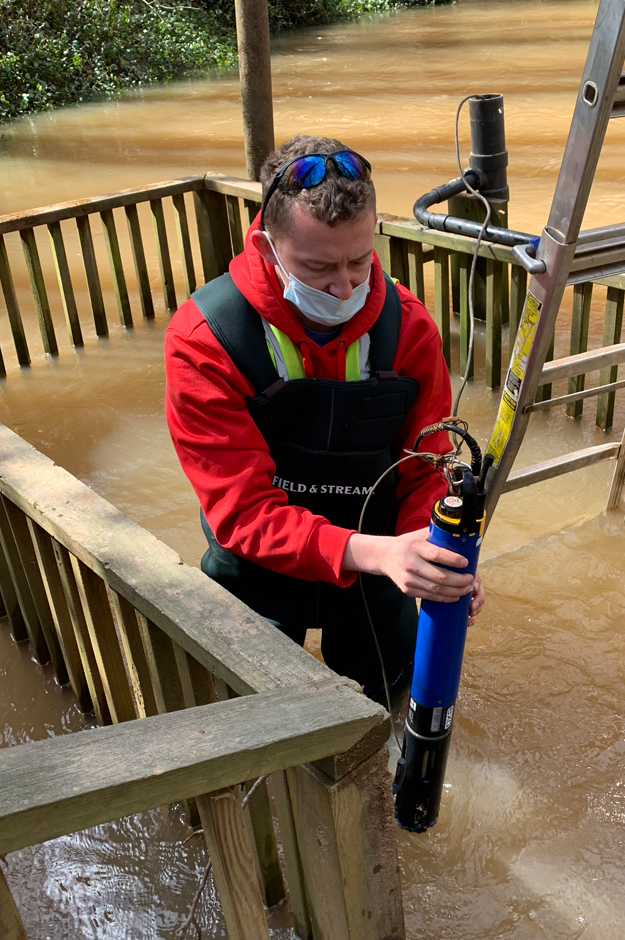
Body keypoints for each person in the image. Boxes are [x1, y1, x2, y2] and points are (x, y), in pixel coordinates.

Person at [165, 134, 485, 701]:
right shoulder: (203, 339)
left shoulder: (408, 325)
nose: (347, 288)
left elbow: (424, 465)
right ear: (266, 247)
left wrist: (427, 554)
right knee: (245, 720)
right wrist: (377, 551)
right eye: (318, 269)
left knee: (391, 701)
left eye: (361, 261)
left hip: (377, 572)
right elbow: (242, 510)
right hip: (256, 570)